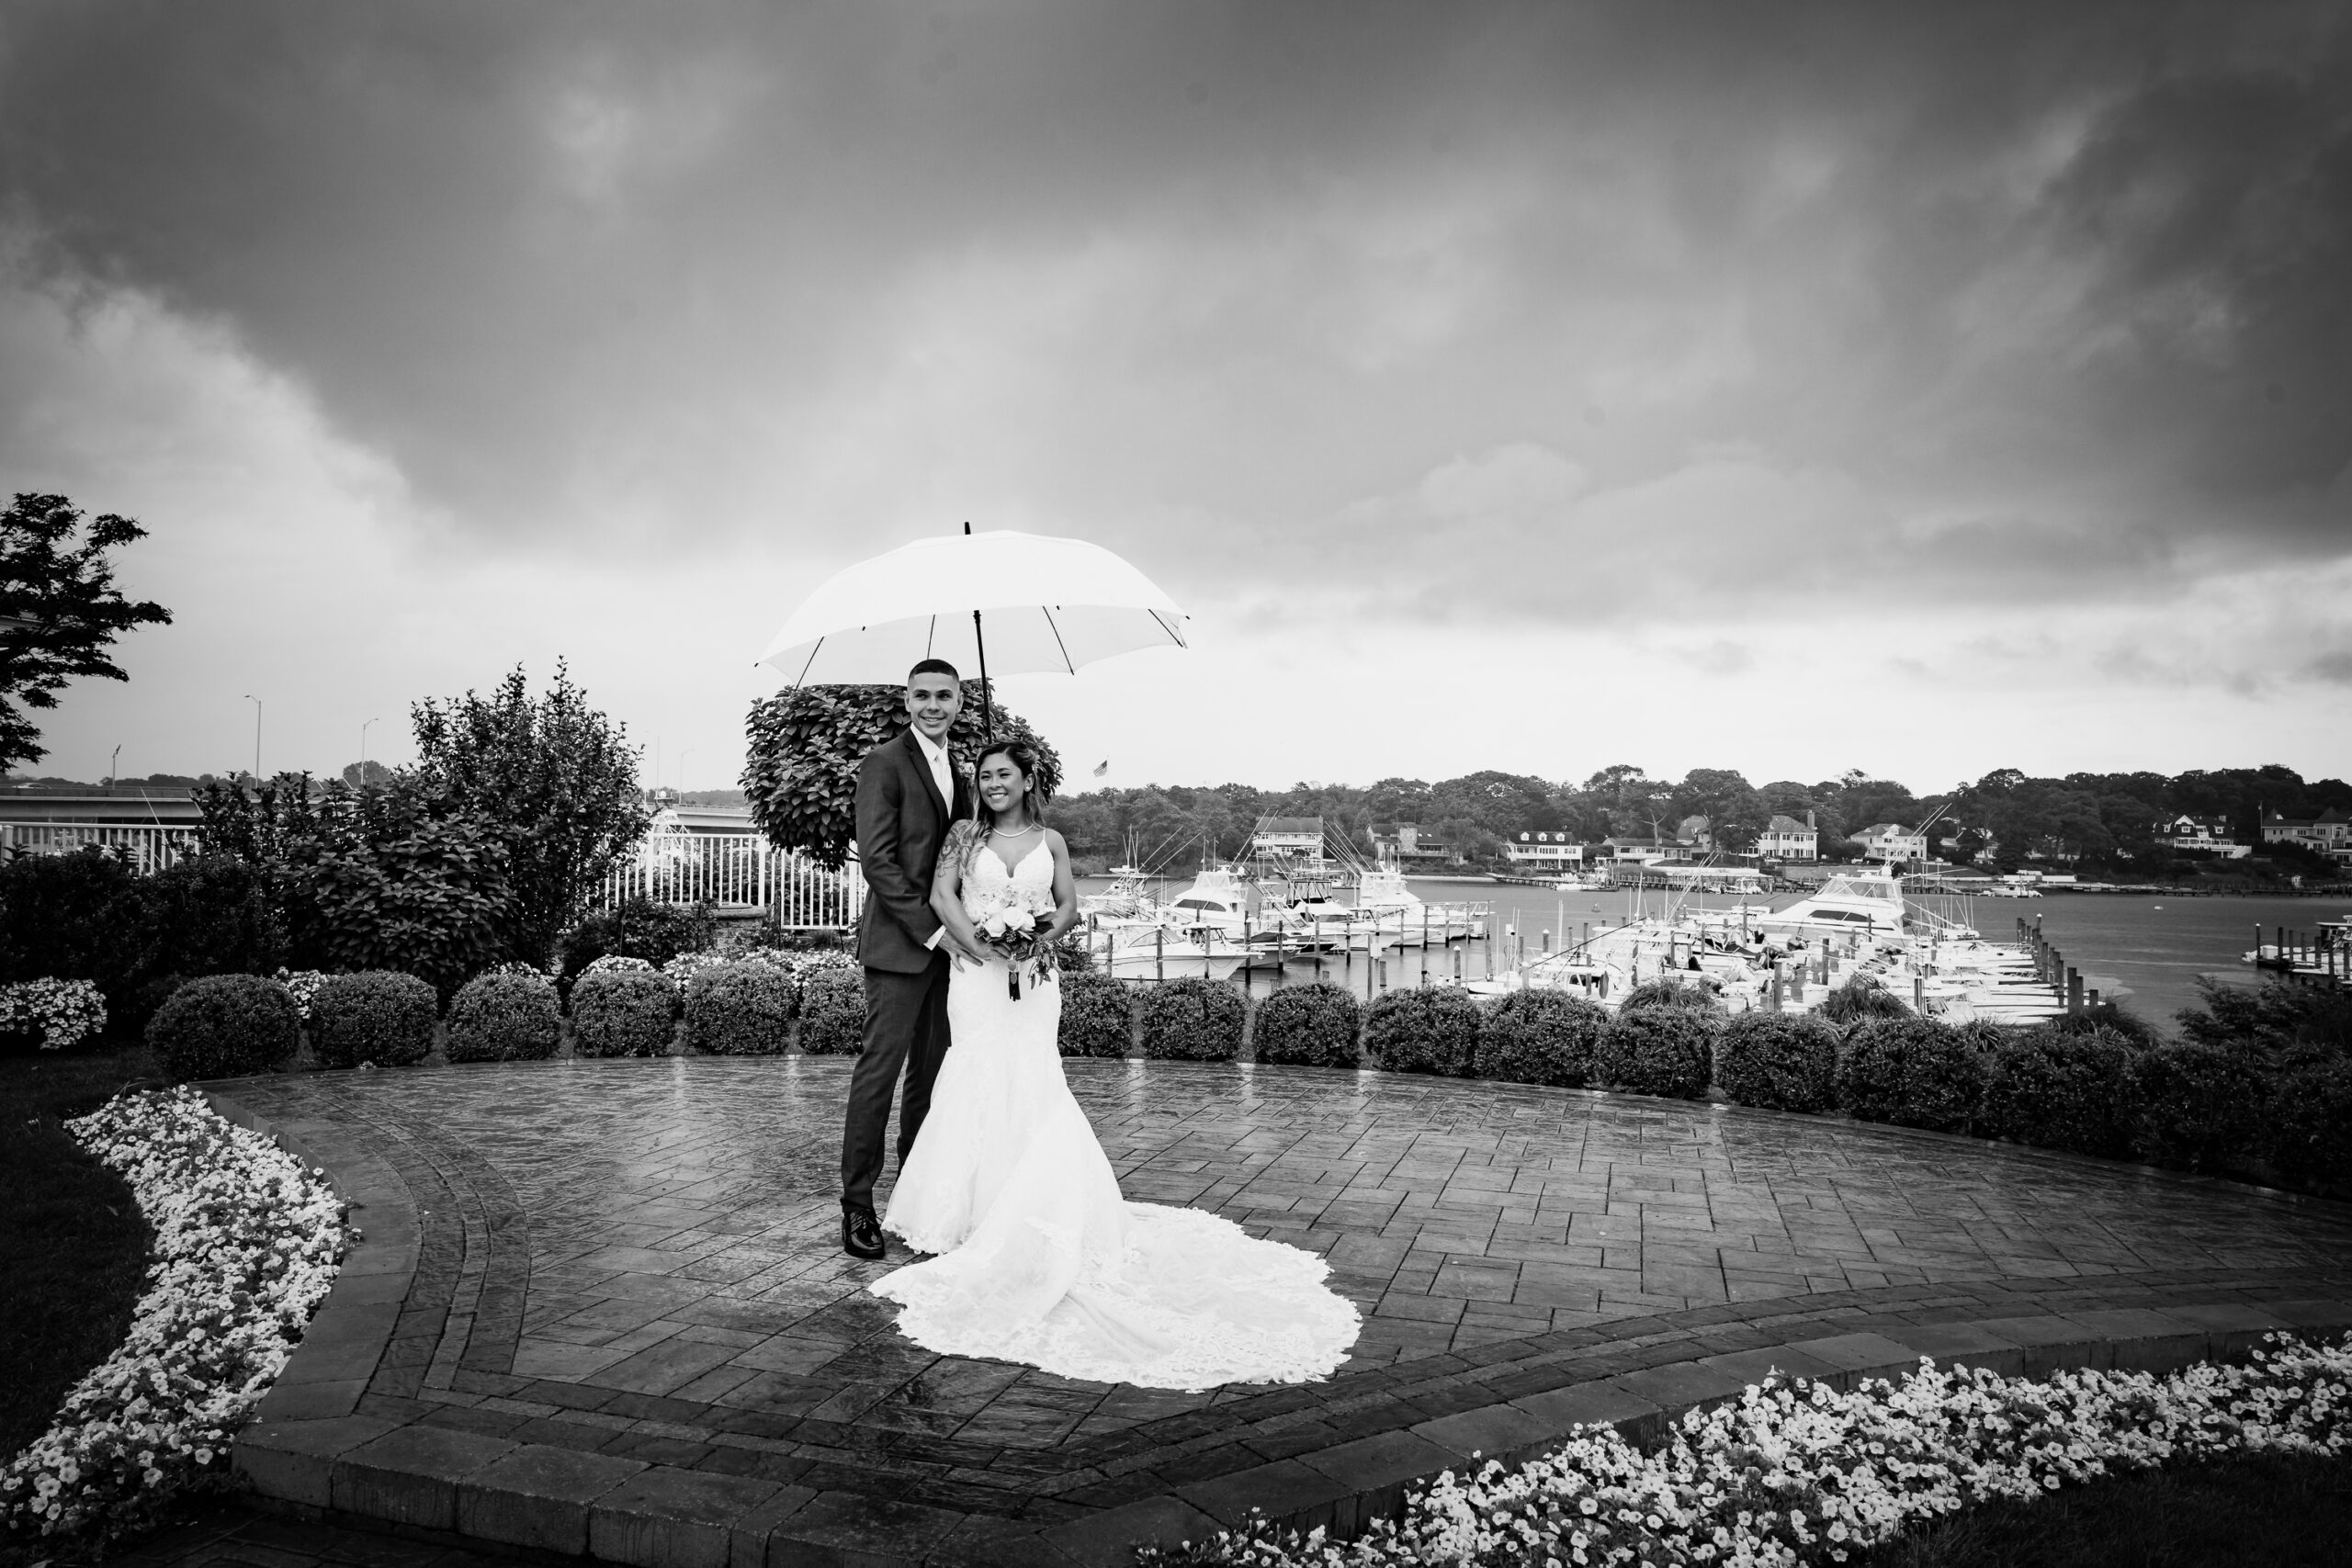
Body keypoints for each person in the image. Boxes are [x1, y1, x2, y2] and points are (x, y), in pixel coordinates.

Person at [872, 738, 1361, 1390]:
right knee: (974, 1075)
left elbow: (1070, 906)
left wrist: (1035, 942)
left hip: (1036, 980)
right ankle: (963, 1212)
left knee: (1035, 1079)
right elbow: (941, 897)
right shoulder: (963, 834)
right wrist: (981, 945)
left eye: (1004, 774)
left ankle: (1034, 1208)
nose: (993, 783)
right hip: (976, 975)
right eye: (985, 775)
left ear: (1026, 780)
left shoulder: (1054, 840)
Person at [840, 660, 971, 1261]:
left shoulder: (961, 772)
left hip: (952, 952)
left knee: (930, 1079)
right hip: (900, 949)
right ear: (906, 699)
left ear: (960, 701)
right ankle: (858, 1203)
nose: (933, 705)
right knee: (879, 1075)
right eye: (923, 695)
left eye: (944, 695)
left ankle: (913, 1197)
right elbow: (879, 863)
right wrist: (933, 932)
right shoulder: (885, 762)